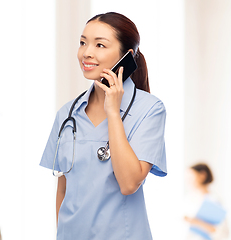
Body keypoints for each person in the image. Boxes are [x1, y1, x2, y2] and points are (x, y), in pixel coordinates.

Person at [40, 12, 167, 239]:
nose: (86, 52)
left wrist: (113, 111)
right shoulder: (67, 114)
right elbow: (63, 189)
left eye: (100, 45)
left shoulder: (149, 109)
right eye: (82, 42)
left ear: (126, 56)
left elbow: (129, 183)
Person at [184, 163, 229, 240]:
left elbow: (224, 232)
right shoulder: (188, 198)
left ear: (202, 175)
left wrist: (197, 222)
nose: (188, 181)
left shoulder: (214, 200)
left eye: (191, 177)